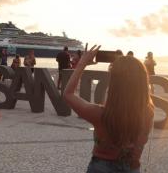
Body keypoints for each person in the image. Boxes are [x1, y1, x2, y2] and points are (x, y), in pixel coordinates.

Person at [64, 45, 154, 173]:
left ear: (113, 83)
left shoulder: (100, 114)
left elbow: (68, 94)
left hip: (101, 167)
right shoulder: (148, 112)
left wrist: (82, 63)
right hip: (132, 168)